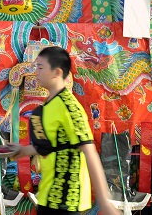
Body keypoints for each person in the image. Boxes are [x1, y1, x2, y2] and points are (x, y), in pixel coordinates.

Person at [9, 46, 120, 215]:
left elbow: (89, 150)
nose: (36, 72)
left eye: (40, 67)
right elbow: (49, 146)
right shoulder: (48, 105)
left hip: (67, 200)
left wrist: (104, 201)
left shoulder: (70, 107)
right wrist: (23, 150)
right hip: (48, 196)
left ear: (57, 72)